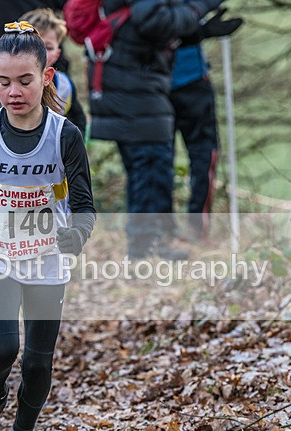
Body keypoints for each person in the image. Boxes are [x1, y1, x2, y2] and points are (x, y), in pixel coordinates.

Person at [0, 21, 95, 431]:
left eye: (26, 80)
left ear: (46, 78)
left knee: (37, 361)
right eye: (5, 81)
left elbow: (85, 204)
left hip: (47, 259)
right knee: (2, 348)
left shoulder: (65, 135)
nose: (15, 91)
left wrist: (76, 235)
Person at [85, 0, 230, 259]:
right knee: (150, 168)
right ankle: (145, 248)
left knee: (147, 171)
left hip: (131, 89)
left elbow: (151, 32)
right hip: (136, 93)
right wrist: (199, 7)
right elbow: (153, 22)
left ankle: (149, 242)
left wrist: (203, 31)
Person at [0, 8, 86, 138]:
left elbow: (79, 124)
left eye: (48, 47)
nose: (41, 52)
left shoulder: (65, 86)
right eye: (34, 45)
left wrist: (67, 148)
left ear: (57, 53)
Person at [169, 9, 241, 240]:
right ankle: (175, 229)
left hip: (182, 82)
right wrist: (201, 31)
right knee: (165, 159)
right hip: (169, 83)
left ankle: (189, 228)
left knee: (197, 156)